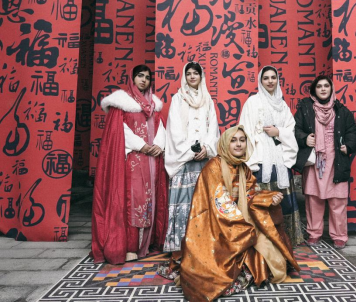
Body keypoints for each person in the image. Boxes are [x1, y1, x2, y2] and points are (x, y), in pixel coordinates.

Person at [167, 126, 300, 302]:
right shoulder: (213, 166)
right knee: (217, 267)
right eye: (233, 140)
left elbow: (251, 194)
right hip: (215, 226)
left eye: (242, 140)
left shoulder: (243, 168)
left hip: (239, 221)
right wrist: (242, 227)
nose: (238, 144)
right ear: (225, 143)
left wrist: (269, 199)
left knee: (275, 257)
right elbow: (219, 203)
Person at [91, 65, 168, 264]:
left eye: (147, 77)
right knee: (133, 200)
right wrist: (142, 145)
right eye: (140, 76)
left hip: (152, 160)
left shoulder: (154, 104)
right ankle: (130, 246)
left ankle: (146, 244)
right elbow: (120, 131)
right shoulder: (122, 103)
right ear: (132, 79)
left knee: (150, 199)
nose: (144, 80)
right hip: (133, 159)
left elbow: (160, 127)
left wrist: (158, 145)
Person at [239, 66, 304, 246]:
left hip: (280, 158)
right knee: (261, 199)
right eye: (266, 78)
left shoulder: (282, 104)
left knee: (284, 199)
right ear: (261, 81)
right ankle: (262, 239)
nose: (270, 81)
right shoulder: (252, 102)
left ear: (277, 80)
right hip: (260, 158)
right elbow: (245, 129)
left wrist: (278, 132)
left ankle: (285, 238)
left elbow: (291, 129)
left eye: (273, 77)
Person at [293, 75, 356, 249]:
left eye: (326, 86)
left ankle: (339, 236)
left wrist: (348, 146)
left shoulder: (342, 111)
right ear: (314, 90)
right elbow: (295, 129)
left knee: (338, 201)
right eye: (319, 86)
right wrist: (305, 138)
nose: (323, 89)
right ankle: (314, 233)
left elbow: (352, 131)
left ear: (331, 89)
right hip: (315, 161)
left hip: (337, 161)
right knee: (313, 199)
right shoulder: (305, 109)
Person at [163, 62, 220, 255]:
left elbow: (213, 127)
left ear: (201, 76)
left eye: (196, 73)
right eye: (189, 73)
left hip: (204, 159)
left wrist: (207, 148)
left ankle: (203, 244)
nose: (192, 76)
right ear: (184, 76)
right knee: (184, 202)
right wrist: (190, 151)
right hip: (184, 159)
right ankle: (181, 246)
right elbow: (174, 129)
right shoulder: (178, 99)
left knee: (203, 202)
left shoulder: (208, 99)